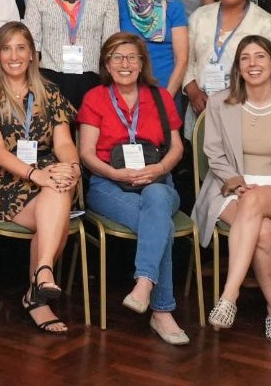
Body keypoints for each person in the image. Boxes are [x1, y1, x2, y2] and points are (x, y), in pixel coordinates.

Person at [192, 36, 271, 346]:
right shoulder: (221, 102)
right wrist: (234, 181)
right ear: (238, 68)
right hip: (231, 186)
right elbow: (214, 154)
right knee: (261, 229)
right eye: (245, 58)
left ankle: (228, 295)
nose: (252, 64)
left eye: (260, 57)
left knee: (257, 200)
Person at [0, 21, 81, 335]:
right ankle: (38, 293)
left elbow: (64, 144)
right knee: (55, 203)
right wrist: (37, 175)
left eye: (21, 47)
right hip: (2, 181)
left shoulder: (51, 92)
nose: (14, 55)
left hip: (46, 174)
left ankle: (41, 278)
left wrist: (71, 167)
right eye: (6, 48)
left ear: (32, 53)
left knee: (58, 190)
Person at [77, 32, 189, 344]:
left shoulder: (160, 97)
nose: (124, 64)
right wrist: (118, 173)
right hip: (108, 184)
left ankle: (143, 284)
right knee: (159, 223)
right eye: (117, 57)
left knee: (156, 198)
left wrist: (159, 169)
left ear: (142, 63)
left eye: (132, 57)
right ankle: (162, 310)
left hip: (158, 181)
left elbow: (177, 148)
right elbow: (86, 154)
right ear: (107, 64)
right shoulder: (95, 98)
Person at [183, 0, 271, 124]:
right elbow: (184, 60)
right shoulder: (199, 17)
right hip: (201, 108)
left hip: (248, 111)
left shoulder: (265, 23)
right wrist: (193, 91)